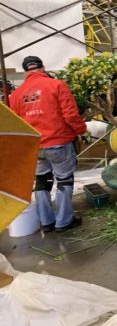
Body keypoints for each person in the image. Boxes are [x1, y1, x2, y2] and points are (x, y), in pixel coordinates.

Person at [9, 56, 87, 233]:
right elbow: (70, 115)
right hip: (58, 142)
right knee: (64, 180)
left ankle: (46, 221)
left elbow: (16, 123)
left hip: (34, 146)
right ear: (43, 68)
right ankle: (63, 221)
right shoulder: (57, 85)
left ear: (24, 72)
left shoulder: (16, 94)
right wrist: (81, 130)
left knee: (42, 181)